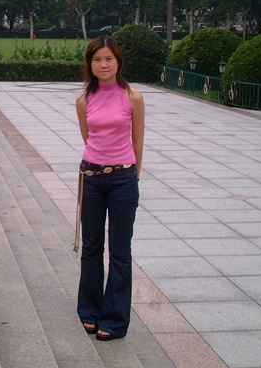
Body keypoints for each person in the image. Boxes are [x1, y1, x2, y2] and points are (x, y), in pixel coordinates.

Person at [74, 36, 144, 341]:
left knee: (120, 250)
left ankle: (114, 319)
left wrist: (132, 177)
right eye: (97, 60)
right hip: (91, 177)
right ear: (90, 64)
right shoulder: (83, 100)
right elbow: (89, 137)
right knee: (91, 248)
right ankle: (89, 311)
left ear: (118, 62)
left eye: (109, 59)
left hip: (123, 179)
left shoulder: (133, 97)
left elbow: (137, 141)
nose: (103, 65)